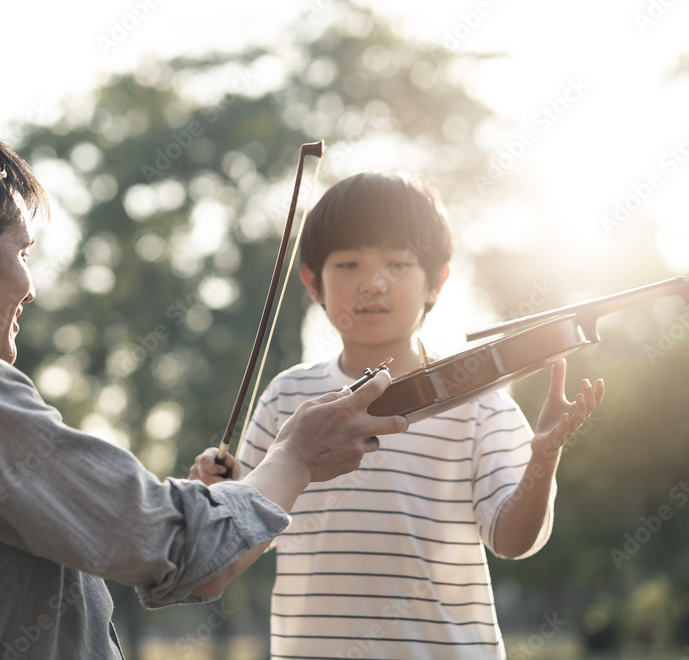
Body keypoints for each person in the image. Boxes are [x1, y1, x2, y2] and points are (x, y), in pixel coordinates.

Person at [0, 123, 409, 660]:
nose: (29, 286)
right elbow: (182, 546)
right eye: (22, 251)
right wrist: (296, 455)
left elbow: (188, 559)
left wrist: (215, 505)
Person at [194, 171, 605, 659]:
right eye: (348, 264)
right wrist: (214, 491)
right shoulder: (289, 397)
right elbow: (238, 542)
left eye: (398, 263)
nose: (373, 283)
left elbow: (512, 540)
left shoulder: (479, 401)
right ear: (312, 282)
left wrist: (542, 459)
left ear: (437, 282)